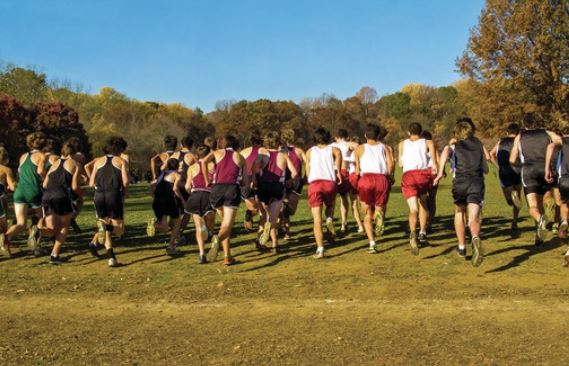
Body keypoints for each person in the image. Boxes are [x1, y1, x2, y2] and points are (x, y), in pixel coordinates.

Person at [434, 118, 488, 267]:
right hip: (477, 182)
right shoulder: (478, 144)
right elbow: (486, 169)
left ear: (457, 132)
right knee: (473, 219)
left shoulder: (455, 145)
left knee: (459, 212)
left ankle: (462, 247)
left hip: (460, 183)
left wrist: (440, 172)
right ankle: (475, 238)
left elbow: (445, 151)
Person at [201, 134, 249, 265]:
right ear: (236, 145)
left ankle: (227, 256)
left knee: (224, 224)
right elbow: (245, 181)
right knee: (227, 225)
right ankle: (217, 238)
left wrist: (206, 180)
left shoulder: (217, 153)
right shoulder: (240, 157)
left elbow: (204, 161)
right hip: (231, 189)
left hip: (216, 190)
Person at [510, 125, 561, 246]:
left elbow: (512, 159)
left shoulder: (520, 136)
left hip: (528, 171)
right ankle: (539, 237)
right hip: (545, 169)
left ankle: (540, 221)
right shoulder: (547, 133)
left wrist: (520, 165)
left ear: (525, 124)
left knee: (533, 206)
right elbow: (560, 140)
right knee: (540, 204)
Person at [87, 137, 129, 267]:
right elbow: (126, 181)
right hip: (114, 194)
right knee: (119, 229)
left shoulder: (98, 161)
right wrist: (125, 191)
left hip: (99, 195)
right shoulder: (121, 161)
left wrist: (98, 188)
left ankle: (111, 257)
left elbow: (90, 183)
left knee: (106, 225)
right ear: (119, 149)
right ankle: (104, 233)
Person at [253, 131, 298, 252]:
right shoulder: (283, 155)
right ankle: (273, 239)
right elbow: (294, 172)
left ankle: (271, 242)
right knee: (273, 217)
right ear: (278, 142)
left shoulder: (262, 155)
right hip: (278, 187)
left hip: (263, 188)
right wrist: (290, 180)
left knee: (265, 216)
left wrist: (254, 180)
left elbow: (254, 167)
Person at [38, 141, 81, 264]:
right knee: (64, 226)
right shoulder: (75, 164)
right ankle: (55, 254)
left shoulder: (54, 164)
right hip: (61, 196)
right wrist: (81, 193)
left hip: (46, 196)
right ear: (74, 152)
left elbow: (45, 184)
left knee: (52, 229)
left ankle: (39, 230)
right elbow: (74, 187)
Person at [398, 122, 437, 255]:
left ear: (409, 132)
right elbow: (434, 161)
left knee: (413, 208)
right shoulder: (428, 143)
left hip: (408, 176)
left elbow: (400, 163)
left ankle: (413, 232)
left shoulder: (402, 144)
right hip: (422, 175)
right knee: (424, 202)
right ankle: (422, 231)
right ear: (420, 133)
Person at [354, 123, 394, 254]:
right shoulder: (385, 147)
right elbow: (391, 164)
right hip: (381, 178)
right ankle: (379, 215)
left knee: (367, 213)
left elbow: (357, 169)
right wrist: (389, 176)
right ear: (378, 135)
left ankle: (372, 243)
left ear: (365, 135)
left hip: (366, 179)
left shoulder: (359, 148)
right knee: (379, 207)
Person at [6, 132, 47, 256]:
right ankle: (36, 246)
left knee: (21, 223)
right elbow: (40, 170)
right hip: (33, 189)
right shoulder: (41, 155)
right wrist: (47, 178)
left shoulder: (23, 156)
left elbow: (19, 173)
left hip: (20, 190)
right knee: (42, 218)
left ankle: (5, 237)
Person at [305, 127, 342, 259]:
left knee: (316, 220)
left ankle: (320, 249)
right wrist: (337, 172)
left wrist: (310, 180)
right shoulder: (334, 150)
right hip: (329, 183)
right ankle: (330, 218)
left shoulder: (309, 151)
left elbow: (308, 170)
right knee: (330, 206)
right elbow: (338, 163)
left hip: (315, 184)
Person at [185, 145, 216, 264]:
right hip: (209, 195)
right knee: (210, 220)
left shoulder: (192, 168)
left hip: (195, 196)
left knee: (198, 226)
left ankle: (202, 254)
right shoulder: (213, 166)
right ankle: (209, 232)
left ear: (197, 156)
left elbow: (188, 186)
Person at [146, 158, 184, 256]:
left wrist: (154, 196)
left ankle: (154, 225)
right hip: (169, 201)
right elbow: (175, 188)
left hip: (158, 202)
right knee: (177, 223)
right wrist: (183, 200)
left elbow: (150, 186)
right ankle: (171, 246)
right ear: (176, 166)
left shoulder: (161, 175)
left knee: (165, 228)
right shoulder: (176, 175)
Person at [489, 123, 523, 230]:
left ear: (507, 133)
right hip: (517, 171)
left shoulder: (501, 142)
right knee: (517, 196)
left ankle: (511, 198)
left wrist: (498, 166)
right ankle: (515, 221)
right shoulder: (519, 142)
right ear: (518, 133)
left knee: (510, 201)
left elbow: (491, 154)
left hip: (504, 172)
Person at [545, 130, 569, 265]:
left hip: (564, 180)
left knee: (565, 204)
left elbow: (550, 146)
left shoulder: (562, 141)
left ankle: (564, 221)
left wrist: (547, 168)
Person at [331, 129, 354, 233]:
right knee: (344, 198)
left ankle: (329, 219)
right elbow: (357, 146)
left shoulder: (331, 146)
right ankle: (343, 223)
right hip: (344, 172)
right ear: (347, 136)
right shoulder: (348, 144)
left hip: (332, 172)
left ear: (336, 137)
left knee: (331, 200)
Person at [240, 132, 262, 232]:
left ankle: (249, 218)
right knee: (260, 206)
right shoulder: (263, 151)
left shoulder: (244, 152)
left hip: (245, 179)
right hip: (259, 178)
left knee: (252, 207)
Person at [0, 147, 16, 256]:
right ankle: (6, 248)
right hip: (0, 198)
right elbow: (13, 187)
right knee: (4, 226)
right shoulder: (5, 169)